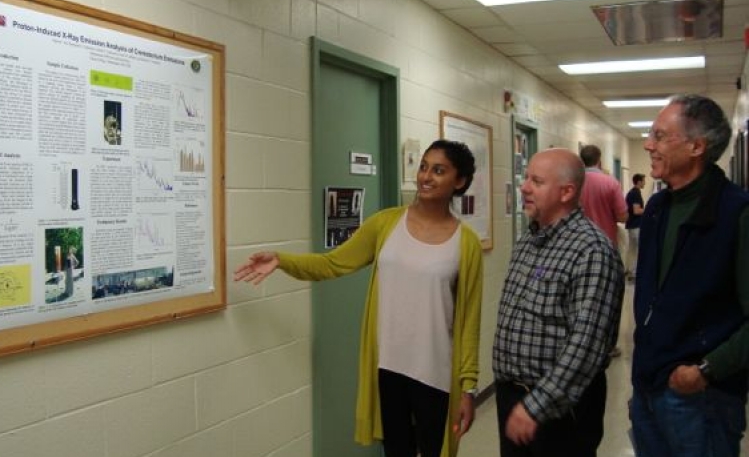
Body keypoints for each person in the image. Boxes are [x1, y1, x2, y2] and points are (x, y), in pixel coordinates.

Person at [234, 140, 483, 457]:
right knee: (396, 450)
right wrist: (282, 260)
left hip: (435, 374)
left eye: (438, 170)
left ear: (458, 181)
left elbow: (470, 321)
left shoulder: (466, 243)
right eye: (423, 166)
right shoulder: (386, 224)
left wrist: (469, 387)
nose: (426, 177)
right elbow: (331, 263)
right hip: (389, 367)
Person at [630, 94, 749, 457]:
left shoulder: (736, 213)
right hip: (649, 386)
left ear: (697, 146)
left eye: (661, 136)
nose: (649, 145)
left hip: (702, 398)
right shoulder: (656, 208)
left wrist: (707, 370)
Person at [493, 148, 624, 457]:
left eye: (536, 181)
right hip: (514, 399)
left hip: (559, 408)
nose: (524, 187)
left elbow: (587, 345)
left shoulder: (591, 250)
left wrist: (536, 407)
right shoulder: (529, 241)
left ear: (566, 192)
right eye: (526, 178)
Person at [579, 144, 628, 246]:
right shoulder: (611, 183)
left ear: (581, 161)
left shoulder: (574, 183)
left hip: (580, 241)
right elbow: (622, 217)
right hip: (606, 240)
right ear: (599, 161)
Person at [624, 173, 646, 281]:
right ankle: (634, 273)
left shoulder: (631, 193)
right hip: (636, 225)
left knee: (632, 249)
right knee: (638, 249)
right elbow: (636, 210)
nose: (645, 183)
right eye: (643, 181)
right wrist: (648, 210)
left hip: (631, 225)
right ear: (638, 182)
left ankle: (630, 270)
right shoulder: (635, 194)